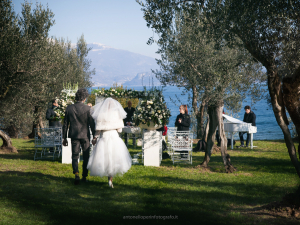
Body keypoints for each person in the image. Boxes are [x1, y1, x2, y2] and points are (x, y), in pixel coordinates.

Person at [88, 98, 132, 188]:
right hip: (114, 136)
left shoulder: (101, 114)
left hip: (104, 136)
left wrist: (95, 138)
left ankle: (109, 178)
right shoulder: (117, 114)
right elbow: (119, 130)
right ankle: (110, 179)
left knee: (105, 158)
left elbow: (98, 129)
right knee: (114, 157)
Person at [62, 89, 96, 185]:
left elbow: (65, 124)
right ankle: (84, 176)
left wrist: (64, 138)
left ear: (76, 97)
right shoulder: (88, 109)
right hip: (85, 135)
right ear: (84, 99)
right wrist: (94, 137)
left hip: (74, 135)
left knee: (75, 156)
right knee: (86, 156)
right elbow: (92, 125)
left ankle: (76, 174)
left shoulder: (69, 108)